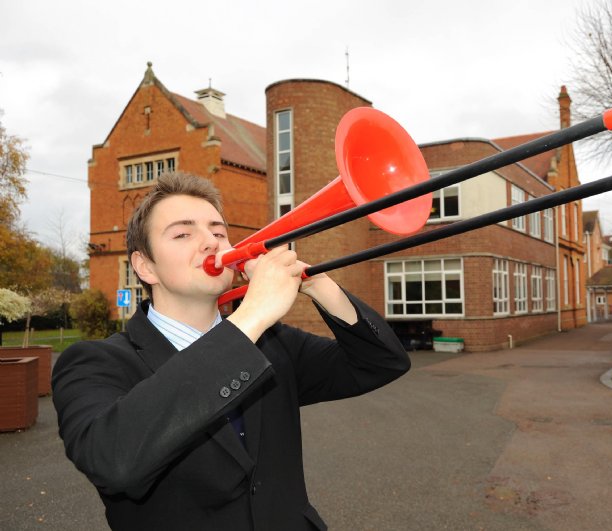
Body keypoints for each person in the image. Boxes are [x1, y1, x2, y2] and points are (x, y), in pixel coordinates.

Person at [52, 171, 410, 531]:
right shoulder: (94, 363)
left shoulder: (272, 342)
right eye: (183, 233)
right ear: (145, 266)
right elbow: (113, 460)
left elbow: (382, 362)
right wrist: (251, 316)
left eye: (219, 232)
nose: (211, 242)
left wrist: (316, 283)